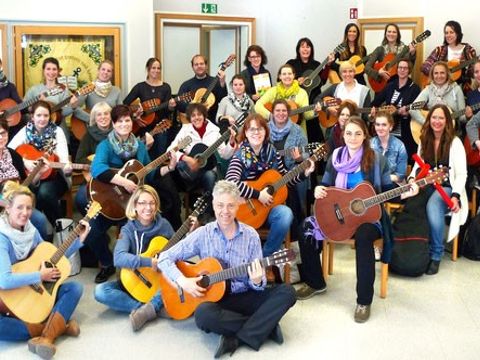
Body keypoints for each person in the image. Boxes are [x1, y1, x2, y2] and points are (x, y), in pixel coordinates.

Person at [157, 180, 297, 357]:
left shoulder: (251, 235)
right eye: (220, 205)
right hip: (215, 300)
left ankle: (237, 338)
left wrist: (256, 280)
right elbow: (164, 258)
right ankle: (265, 327)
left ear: (238, 205)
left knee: (287, 292)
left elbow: (258, 284)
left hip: (244, 295)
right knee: (203, 315)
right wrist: (183, 281)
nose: (225, 211)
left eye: (230, 205)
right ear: (214, 205)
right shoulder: (202, 234)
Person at [295, 116, 411, 323]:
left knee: (365, 237)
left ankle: (363, 301)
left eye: (358, 133)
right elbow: (328, 185)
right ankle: (315, 282)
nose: (352, 137)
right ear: (343, 134)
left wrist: (405, 192)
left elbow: (386, 190)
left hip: (369, 218)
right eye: (348, 133)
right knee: (305, 227)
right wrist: (320, 189)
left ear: (365, 135)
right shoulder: (336, 156)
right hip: (339, 216)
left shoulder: (376, 159)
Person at [84, 104, 177, 283]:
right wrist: (124, 181)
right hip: (110, 201)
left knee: (145, 229)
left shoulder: (139, 146)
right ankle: (107, 262)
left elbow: (149, 173)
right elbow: (97, 169)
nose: (124, 124)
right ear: (113, 123)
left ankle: (140, 267)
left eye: (127, 120)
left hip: (133, 204)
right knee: (92, 231)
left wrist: (170, 167)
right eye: (120, 122)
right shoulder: (106, 145)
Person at [0, 181, 90, 359]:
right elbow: (4, 280)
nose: (25, 213)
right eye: (19, 208)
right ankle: (57, 327)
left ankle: (46, 336)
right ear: (8, 208)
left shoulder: (31, 231)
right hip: (7, 298)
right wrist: (39, 275)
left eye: (29, 208)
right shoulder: (2, 238)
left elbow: (52, 257)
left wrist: (79, 241)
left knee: (75, 288)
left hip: (33, 294)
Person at [225, 114, 314, 257]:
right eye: (252, 129)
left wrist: (303, 173)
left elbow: (285, 179)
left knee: (286, 214)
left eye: (260, 129)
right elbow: (230, 183)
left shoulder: (273, 153)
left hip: (268, 210)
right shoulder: (240, 156)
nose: (256, 133)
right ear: (246, 133)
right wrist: (258, 195)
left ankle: (264, 258)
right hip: (246, 211)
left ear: (265, 132)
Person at [94, 185, 174, 331]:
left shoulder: (165, 226)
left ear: (156, 205)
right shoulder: (128, 229)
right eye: (142, 203)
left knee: (177, 280)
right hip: (132, 281)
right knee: (100, 291)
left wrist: (191, 232)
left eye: (152, 203)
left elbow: (177, 253)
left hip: (157, 281)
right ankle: (149, 308)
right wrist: (149, 262)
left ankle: (149, 307)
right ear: (135, 206)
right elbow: (118, 258)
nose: (148, 207)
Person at [407, 104, 468, 275]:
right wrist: (412, 179)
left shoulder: (455, 143)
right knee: (412, 204)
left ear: (447, 121)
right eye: (434, 117)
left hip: (449, 188)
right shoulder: (424, 139)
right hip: (426, 184)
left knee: (433, 206)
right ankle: (414, 248)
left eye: (441, 118)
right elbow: (416, 167)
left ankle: (436, 254)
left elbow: (462, 174)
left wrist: (455, 196)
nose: (437, 121)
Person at [8, 101, 71, 231]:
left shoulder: (57, 132)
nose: (42, 119)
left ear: (50, 116)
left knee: (44, 193)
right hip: (33, 177)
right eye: (39, 115)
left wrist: (66, 168)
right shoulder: (26, 130)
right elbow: (10, 150)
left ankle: (59, 229)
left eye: (46, 115)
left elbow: (64, 160)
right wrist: (25, 162)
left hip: (55, 177)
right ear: (32, 117)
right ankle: (40, 230)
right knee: (26, 192)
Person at [168, 103, 236, 201]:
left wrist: (231, 143)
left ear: (204, 115)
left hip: (207, 171)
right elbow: (170, 149)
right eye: (193, 116)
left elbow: (225, 155)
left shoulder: (214, 130)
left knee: (210, 176)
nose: (196, 118)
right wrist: (186, 158)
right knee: (181, 166)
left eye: (199, 114)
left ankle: (208, 208)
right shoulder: (185, 130)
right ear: (189, 118)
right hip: (190, 172)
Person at [0, 119, 49, 240]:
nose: (0, 137)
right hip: (2, 209)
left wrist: (38, 173)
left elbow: (26, 184)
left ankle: (40, 253)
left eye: (3, 133)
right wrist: (6, 204)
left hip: (18, 206)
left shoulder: (14, 155)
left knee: (40, 220)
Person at [268, 99, 309, 236]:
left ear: (289, 113)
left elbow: (306, 154)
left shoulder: (297, 130)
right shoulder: (265, 129)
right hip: (269, 173)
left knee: (301, 180)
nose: (281, 113)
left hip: (291, 170)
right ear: (272, 113)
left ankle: (299, 227)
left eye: (284, 111)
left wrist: (299, 158)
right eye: (277, 110)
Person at [371, 59, 421, 162]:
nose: (402, 70)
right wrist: (373, 111)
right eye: (400, 68)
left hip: (405, 131)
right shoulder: (390, 86)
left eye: (405, 68)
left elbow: (416, 109)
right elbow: (375, 102)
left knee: (403, 160)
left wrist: (405, 112)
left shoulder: (414, 88)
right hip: (388, 131)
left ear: (409, 70)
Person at [22, 57, 77, 142]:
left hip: (58, 132)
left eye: (54, 69)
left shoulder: (63, 89)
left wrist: (72, 106)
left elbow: (63, 113)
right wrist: (38, 106)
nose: (51, 72)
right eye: (48, 69)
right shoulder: (34, 90)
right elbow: (23, 110)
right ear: (43, 71)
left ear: (58, 71)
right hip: (37, 133)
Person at [123, 57, 170, 158]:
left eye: (158, 68)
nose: (156, 70)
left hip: (161, 127)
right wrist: (135, 116)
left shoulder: (166, 87)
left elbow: (168, 111)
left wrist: (171, 107)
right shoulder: (140, 87)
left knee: (159, 157)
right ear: (148, 69)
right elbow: (124, 105)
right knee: (143, 156)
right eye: (153, 68)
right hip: (143, 127)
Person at [74, 101, 113, 217]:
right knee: (81, 198)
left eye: (106, 113)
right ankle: (94, 223)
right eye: (99, 114)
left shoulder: (118, 133)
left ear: (111, 116)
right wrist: (98, 164)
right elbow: (79, 159)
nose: (103, 117)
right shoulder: (88, 136)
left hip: (115, 177)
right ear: (94, 118)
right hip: (94, 178)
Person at [255, 64, 315, 136]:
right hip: (275, 134)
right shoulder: (273, 91)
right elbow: (258, 105)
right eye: (284, 74)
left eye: (289, 74)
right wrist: (271, 116)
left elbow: (306, 115)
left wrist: (315, 111)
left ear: (294, 75)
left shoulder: (302, 92)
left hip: (296, 134)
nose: (287, 76)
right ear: (280, 76)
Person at [421, 20, 477, 92]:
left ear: (458, 33)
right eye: (446, 33)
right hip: (440, 90)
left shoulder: (469, 50)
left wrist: (470, 70)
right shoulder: (439, 50)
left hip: (463, 90)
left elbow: (473, 73)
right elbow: (425, 66)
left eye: (451, 32)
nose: (448, 35)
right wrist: (440, 74)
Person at [170, 54, 228, 123]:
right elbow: (179, 105)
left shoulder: (215, 81)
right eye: (196, 64)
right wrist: (193, 106)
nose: (199, 66)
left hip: (212, 122)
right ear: (192, 67)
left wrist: (222, 83)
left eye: (201, 64)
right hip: (192, 124)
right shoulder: (186, 85)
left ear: (206, 66)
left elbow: (223, 100)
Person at [410, 61, 466, 128]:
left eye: (442, 73)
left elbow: (462, 118)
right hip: (432, 131)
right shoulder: (428, 90)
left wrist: (467, 116)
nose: (439, 76)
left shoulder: (456, 89)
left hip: (451, 130)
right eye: (436, 73)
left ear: (447, 74)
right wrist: (427, 123)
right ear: (432, 75)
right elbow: (412, 109)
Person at [365, 23, 416, 89]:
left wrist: (412, 54)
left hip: (398, 85)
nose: (391, 34)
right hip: (382, 87)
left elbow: (409, 67)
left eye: (394, 32)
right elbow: (367, 68)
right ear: (385, 34)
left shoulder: (405, 49)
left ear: (398, 35)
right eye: (389, 31)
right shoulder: (380, 49)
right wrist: (378, 73)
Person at [72, 60, 122, 125]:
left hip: (110, 127)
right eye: (103, 69)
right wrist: (91, 119)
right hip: (92, 127)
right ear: (98, 71)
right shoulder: (87, 88)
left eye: (109, 71)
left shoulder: (116, 90)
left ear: (111, 74)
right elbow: (75, 108)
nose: (105, 72)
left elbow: (120, 113)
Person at [286, 37, 332, 102]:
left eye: (308, 47)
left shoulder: (317, 64)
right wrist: (296, 81)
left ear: (311, 50)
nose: (305, 49)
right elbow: (282, 80)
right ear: (298, 50)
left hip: (314, 99)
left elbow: (322, 82)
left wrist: (328, 65)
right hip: (295, 99)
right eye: (302, 47)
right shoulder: (291, 63)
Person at [370, 111, 408, 183]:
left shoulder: (400, 146)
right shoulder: (369, 144)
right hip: (372, 185)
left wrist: (381, 178)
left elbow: (400, 176)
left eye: (384, 125)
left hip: (392, 185)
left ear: (390, 127)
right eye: (377, 124)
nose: (380, 128)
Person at [0, 58, 27, 139]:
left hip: (9, 129)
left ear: (1, 66)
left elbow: (21, 107)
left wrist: (34, 105)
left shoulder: (10, 86)